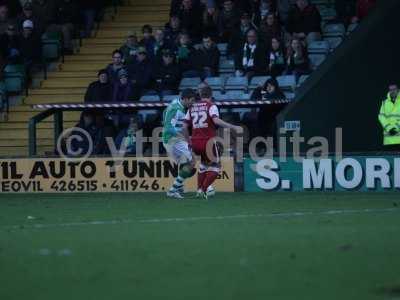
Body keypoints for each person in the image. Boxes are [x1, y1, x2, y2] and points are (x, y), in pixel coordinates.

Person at [183, 86, 242, 199]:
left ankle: (199, 190)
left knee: (203, 165)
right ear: (211, 95)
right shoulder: (211, 106)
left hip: (195, 142)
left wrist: (189, 142)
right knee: (216, 166)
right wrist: (232, 126)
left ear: (200, 95)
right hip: (208, 141)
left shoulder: (192, 107)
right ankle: (204, 190)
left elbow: (184, 127)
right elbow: (216, 120)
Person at [162, 88, 198, 199]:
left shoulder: (176, 104)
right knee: (192, 161)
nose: (193, 103)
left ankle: (179, 187)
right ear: (185, 99)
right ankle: (173, 190)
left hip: (173, 139)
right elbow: (168, 128)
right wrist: (183, 137)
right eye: (191, 100)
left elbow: (165, 114)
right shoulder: (176, 109)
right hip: (172, 140)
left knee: (183, 163)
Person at [378, 84, 400, 151]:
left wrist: (396, 128)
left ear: (398, 90)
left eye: (394, 89)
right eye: (390, 90)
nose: (392, 91)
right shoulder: (384, 102)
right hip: (388, 140)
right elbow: (381, 117)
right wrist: (389, 128)